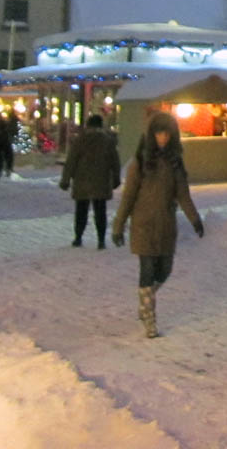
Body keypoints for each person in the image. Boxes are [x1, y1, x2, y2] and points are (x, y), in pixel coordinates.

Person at [112, 112, 204, 338]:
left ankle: (145, 300)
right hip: (143, 225)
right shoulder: (140, 163)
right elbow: (128, 197)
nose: (163, 137)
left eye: (166, 133)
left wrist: (194, 219)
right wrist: (118, 226)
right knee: (147, 270)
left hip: (166, 225)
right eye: (159, 133)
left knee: (164, 270)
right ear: (152, 135)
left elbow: (183, 194)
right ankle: (149, 319)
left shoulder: (175, 164)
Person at [59, 114, 122, 249]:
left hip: (82, 180)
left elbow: (71, 161)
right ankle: (101, 240)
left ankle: (78, 237)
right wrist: (116, 178)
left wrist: (65, 180)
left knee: (81, 211)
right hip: (101, 180)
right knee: (100, 211)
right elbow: (115, 161)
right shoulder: (108, 141)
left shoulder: (80, 140)